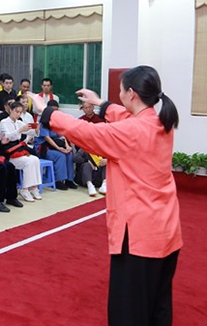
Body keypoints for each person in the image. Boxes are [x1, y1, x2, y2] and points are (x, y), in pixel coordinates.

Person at [28, 65, 181, 326]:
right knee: (158, 307)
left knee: (129, 313)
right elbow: (125, 116)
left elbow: (89, 133)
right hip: (165, 231)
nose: (118, 94)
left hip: (137, 237)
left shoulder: (132, 132)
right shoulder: (159, 122)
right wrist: (100, 103)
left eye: (120, 90)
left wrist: (46, 112)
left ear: (131, 93)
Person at [0, 101, 43, 202]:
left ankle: (34, 187)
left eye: (20, 112)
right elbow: (7, 137)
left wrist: (36, 129)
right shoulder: (3, 122)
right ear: (11, 110)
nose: (18, 114)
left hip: (18, 148)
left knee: (35, 159)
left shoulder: (19, 122)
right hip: (9, 150)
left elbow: (31, 132)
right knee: (29, 162)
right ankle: (24, 189)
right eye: (16, 111)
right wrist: (20, 130)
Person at [35, 100, 78, 191]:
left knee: (69, 154)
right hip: (43, 148)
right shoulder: (43, 123)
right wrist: (60, 149)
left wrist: (67, 147)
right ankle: (58, 180)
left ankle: (69, 180)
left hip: (53, 146)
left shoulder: (55, 122)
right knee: (60, 156)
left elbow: (62, 136)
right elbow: (47, 138)